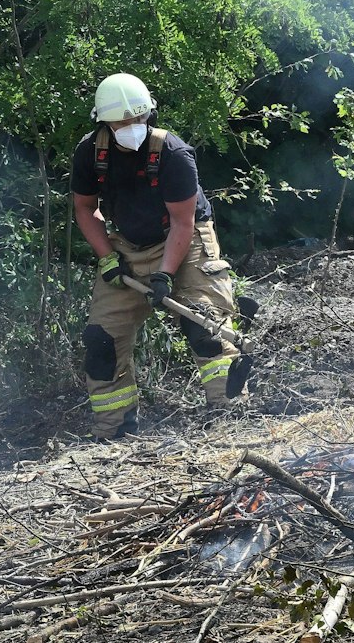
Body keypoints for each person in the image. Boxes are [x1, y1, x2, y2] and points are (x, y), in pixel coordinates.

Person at [70, 73, 243, 440]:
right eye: (123, 121)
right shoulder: (90, 152)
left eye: (138, 118)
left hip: (184, 239)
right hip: (127, 245)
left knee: (205, 325)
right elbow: (85, 209)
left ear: (149, 113)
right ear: (105, 122)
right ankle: (114, 434)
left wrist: (164, 276)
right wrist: (106, 257)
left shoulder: (173, 153)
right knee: (101, 340)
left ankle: (233, 421)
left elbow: (183, 222)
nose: (132, 127)